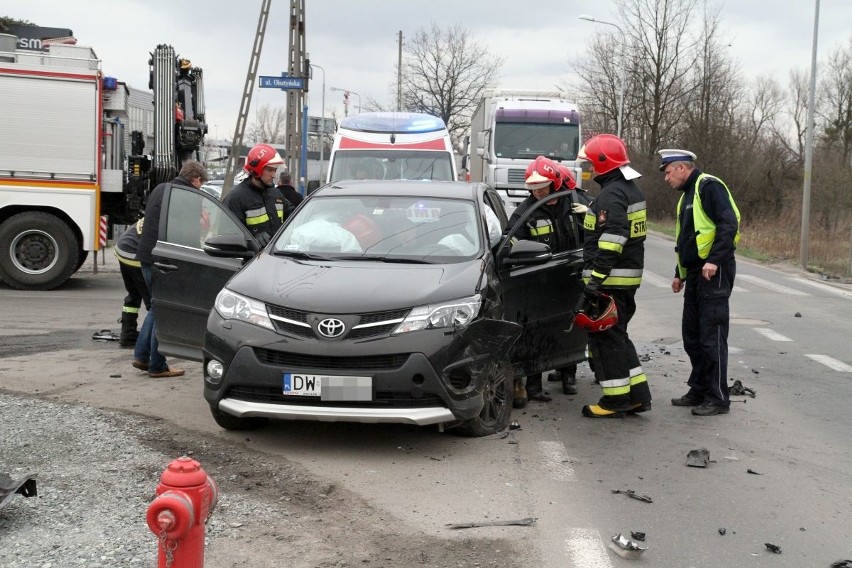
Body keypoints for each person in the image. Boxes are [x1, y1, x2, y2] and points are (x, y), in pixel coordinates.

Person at [659, 148, 741, 416]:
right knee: (692, 337)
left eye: (669, 172)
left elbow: (729, 224)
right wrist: (679, 273)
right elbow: (687, 239)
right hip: (696, 274)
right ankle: (699, 389)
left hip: (713, 273)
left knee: (711, 338)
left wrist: (714, 260)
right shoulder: (687, 197)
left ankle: (717, 398)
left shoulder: (709, 186)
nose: (666, 178)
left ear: (682, 168)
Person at [576, 134, 651, 418]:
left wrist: (595, 279)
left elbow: (613, 238)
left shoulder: (612, 194)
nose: (590, 169)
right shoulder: (631, 189)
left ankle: (615, 400)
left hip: (611, 281)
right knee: (618, 337)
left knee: (607, 341)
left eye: (592, 164)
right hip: (625, 280)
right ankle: (638, 396)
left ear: (603, 163)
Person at [506, 156, 580, 405]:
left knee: (570, 325)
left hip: (571, 275)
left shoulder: (573, 203)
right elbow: (510, 240)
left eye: (542, 187)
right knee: (536, 332)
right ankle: (534, 386)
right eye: (533, 188)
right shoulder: (525, 211)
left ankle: (569, 375)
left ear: (554, 183)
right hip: (539, 281)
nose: (538, 192)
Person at [133, 161, 208, 378]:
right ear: (196, 179)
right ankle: (157, 365)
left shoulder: (161, 188)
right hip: (166, 261)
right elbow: (189, 234)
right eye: (201, 184)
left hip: (147, 256)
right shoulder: (188, 197)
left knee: (156, 307)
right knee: (164, 310)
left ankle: (141, 356)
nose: (200, 189)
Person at [223, 143, 293, 244]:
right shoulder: (235, 199)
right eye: (270, 170)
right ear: (256, 170)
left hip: (276, 257)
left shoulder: (276, 194)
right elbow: (228, 237)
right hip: (252, 258)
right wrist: (253, 238)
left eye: (275, 170)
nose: (274, 175)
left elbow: (294, 217)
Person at [114, 219, 149, 348]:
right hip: (134, 254)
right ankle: (147, 340)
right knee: (152, 302)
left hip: (123, 249)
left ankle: (128, 336)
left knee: (134, 295)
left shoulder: (157, 210)